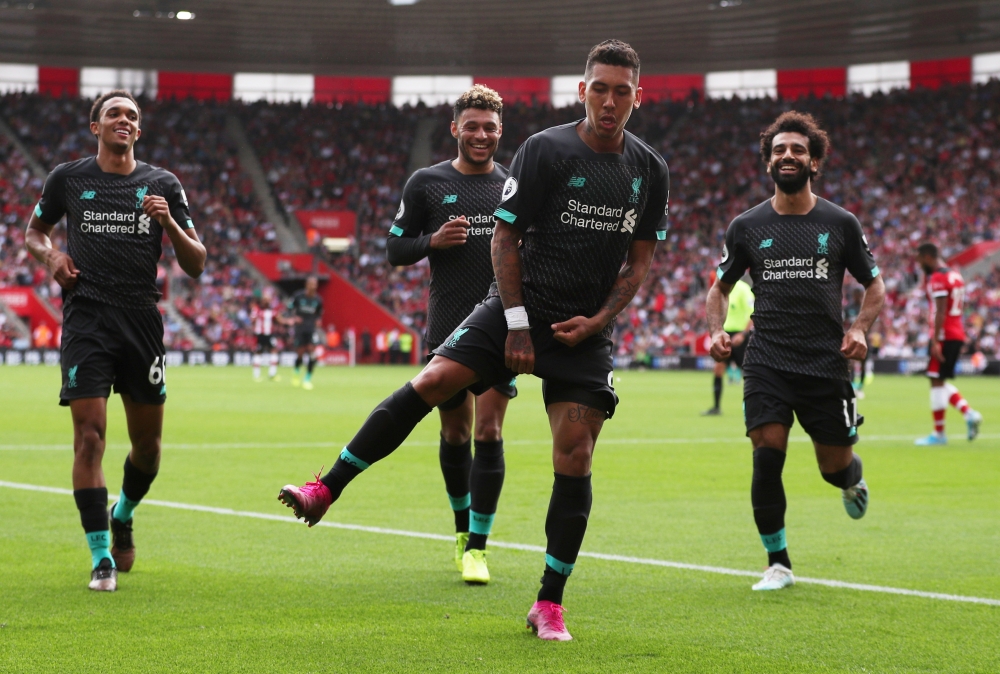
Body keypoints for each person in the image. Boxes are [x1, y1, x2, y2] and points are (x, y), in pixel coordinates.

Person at [278, 40, 668, 641]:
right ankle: (325, 488)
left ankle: (549, 603)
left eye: (622, 90)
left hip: (584, 330)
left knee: (576, 453)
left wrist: (596, 323)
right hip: (519, 306)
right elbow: (504, 240)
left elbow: (638, 265)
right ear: (581, 90)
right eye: (599, 88)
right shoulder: (545, 151)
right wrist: (515, 321)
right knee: (432, 382)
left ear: (638, 97)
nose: (609, 100)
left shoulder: (650, 170)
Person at [24, 89, 206, 592]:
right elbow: (33, 233)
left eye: (131, 116)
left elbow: (197, 263)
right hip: (87, 320)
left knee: (147, 448)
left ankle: (123, 511)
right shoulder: (69, 177)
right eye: (113, 114)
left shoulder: (162, 184)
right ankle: (101, 554)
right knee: (90, 437)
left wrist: (167, 220)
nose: (123, 120)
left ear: (138, 131)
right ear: (95, 126)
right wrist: (52, 259)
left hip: (141, 322)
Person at [706, 111, 885, 593]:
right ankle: (778, 562)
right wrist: (716, 331)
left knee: (834, 469)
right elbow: (718, 288)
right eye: (780, 150)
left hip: (826, 363)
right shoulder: (746, 226)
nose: (788, 156)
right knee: (767, 455)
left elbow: (875, 286)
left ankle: (853, 479)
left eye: (798, 150)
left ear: (815, 161)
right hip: (767, 360)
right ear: (768, 162)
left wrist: (862, 329)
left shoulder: (840, 223)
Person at [385, 84, 515, 584]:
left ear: (500, 132)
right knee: (455, 431)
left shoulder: (513, 184)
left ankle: (479, 546)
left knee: (490, 430)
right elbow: (395, 250)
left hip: (501, 327)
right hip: (448, 326)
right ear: (455, 128)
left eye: (490, 127)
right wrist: (431, 241)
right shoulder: (427, 183)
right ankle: (461, 531)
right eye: (472, 126)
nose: (481, 135)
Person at [914, 243, 982, 445]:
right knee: (939, 380)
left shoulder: (938, 278)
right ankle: (968, 414)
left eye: (919, 260)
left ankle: (940, 434)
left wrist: (935, 340)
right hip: (956, 332)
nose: (919, 264)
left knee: (936, 381)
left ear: (927, 257)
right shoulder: (955, 275)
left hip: (944, 335)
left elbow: (941, 311)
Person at [702, 276, 753, 415]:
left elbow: (752, 313)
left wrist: (743, 334)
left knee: (748, 373)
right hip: (725, 334)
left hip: (740, 336)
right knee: (718, 370)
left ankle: (753, 408)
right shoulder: (721, 287)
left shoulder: (744, 289)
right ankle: (716, 407)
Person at [288, 276, 324, 390]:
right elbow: (289, 308)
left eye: (315, 284)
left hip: (311, 329)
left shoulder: (318, 300)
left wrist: (318, 320)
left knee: (313, 354)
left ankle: (307, 379)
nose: (314, 286)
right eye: (312, 284)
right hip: (300, 329)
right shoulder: (298, 296)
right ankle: (296, 371)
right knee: (300, 353)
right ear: (307, 285)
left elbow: (319, 313)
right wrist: (294, 317)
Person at [251, 296, 282, 382]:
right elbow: (252, 319)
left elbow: (279, 320)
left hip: (269, 334)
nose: (267, 302)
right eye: (265, 300)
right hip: (260, 334)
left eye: (268, 300)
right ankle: (256, 375)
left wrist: (287, 321)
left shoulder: (272, 311)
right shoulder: (257, 310)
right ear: (262, 301)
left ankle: (272, 374)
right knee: (258, 352)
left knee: (274, 351)